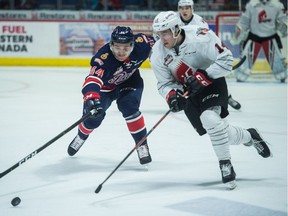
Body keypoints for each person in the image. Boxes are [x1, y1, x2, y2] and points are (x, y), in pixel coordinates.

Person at [150, 11, 271, 189]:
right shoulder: (157, 53)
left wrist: (205, 75)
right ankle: (249, 136)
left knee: (210, 119)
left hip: (212, 83)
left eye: (165, 32)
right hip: (189, 93)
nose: (161, 38)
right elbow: (164, 84)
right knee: (217, 130)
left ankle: (225, 164)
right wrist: (172, 96)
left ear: (176, 29)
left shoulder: (201, 36)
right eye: (158, 34)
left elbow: (226, 59)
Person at [68, 26, 155, 165]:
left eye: (126, 48)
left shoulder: (142, 44)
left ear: (133, 45)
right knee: (93, 119)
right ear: (111, 45)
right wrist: (92, 98)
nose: (121, 52)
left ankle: (142, 144)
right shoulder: (103, 58)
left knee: (129, 107)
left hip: (130, 81)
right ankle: (81, 136)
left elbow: (160, 43)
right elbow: (92, 80)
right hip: (104, 89)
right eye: (117, 48)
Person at [178, 0, 241, 110]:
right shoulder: (174, 21)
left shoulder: (200, 22)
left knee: (212, 77)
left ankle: (227, 97)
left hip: (200, 55)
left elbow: (210, 41)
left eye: (187, 8)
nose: (184, 10)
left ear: (192, 9)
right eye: (182, 8)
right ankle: (182, 100)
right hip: (184, 56)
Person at [231, 0, 287, 82]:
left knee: (279, 69)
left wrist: (284, 28)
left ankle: (282, 76)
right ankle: (240, 76)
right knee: (242, 71)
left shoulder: (277, 5)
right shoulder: (251, 4)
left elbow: (283, 20)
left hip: (271, 37)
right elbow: (244, 22)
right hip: (254, 36)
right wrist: (238, 33)